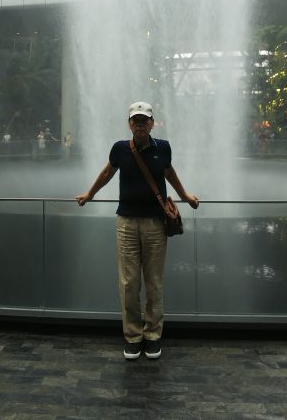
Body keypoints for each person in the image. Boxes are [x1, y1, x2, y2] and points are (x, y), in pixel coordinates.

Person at [76, 101, 199, 361]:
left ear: (152, 123)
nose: (140, 124)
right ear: (129, 124)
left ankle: (152, 335)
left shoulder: (163, 147)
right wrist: (90, 193)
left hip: (155, 224)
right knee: (129, 283)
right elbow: (107, 172)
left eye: (144, 120)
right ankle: (133, 337)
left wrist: (185, 195)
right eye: (136, 120)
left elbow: (169, 173)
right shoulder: (120, 148)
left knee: (154, 282)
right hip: (127, 224)